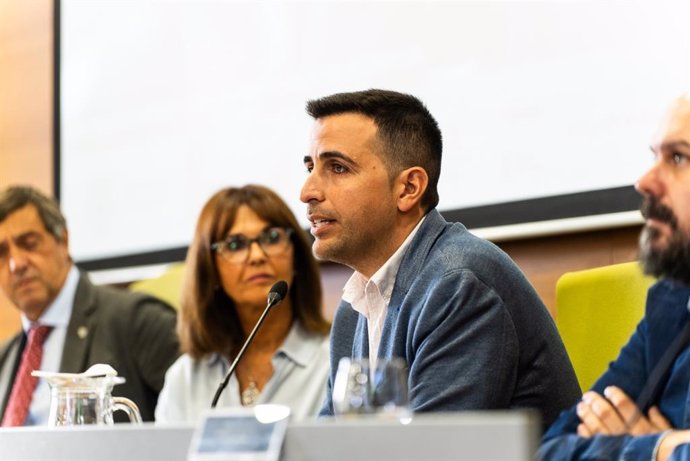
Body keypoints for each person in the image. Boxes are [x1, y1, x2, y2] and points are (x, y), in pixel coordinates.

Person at [299, 89, 580, 427]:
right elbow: (326, 447)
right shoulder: (354, 308)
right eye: (311, 167)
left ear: (408, 188)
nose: (307, 192)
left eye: (338, 168)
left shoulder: (459, 284)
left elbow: (431, 451)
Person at [538, 94, 690, 460]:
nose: (645, 181)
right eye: (655, 156)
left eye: (679, 157)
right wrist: (661, 446)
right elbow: (553, 448)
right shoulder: (671, 302)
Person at [0, 185, 180, 425]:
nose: (16, 264)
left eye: (30, 243)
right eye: (1, 253)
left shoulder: (137, 319)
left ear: (63, 240)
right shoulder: (6, 356)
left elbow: (197, 419)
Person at [155, 185, 330, 423]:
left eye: (272, 238)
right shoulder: (186, 377)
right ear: (211, 270)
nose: (257, 256)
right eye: (235, 245)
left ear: (296, 255)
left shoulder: (333, 360)